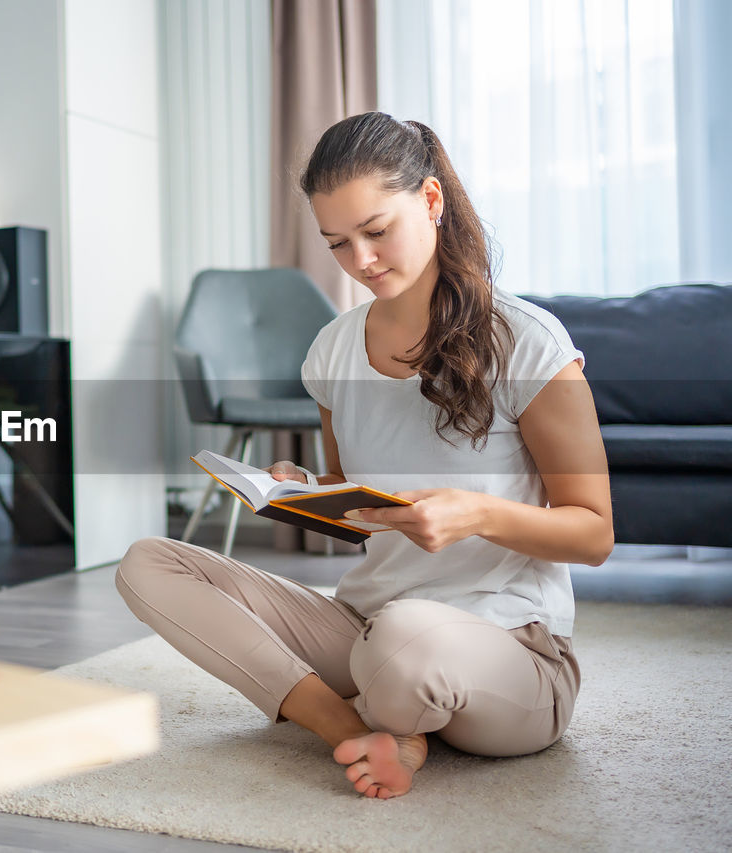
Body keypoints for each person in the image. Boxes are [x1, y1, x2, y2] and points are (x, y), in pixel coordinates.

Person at [115, 111, 612, 799]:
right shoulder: (333, 351)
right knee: (149, 562)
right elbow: (357, 507)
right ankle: (346, 725)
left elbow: (594, 532)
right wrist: (301, 489)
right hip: (367, 626)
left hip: (510, 648)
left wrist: (474, 514)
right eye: (338, 243)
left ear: (431, 202)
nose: (362, 262)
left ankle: (392, 712)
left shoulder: (529, 342)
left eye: (377, 231)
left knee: (403, 644)